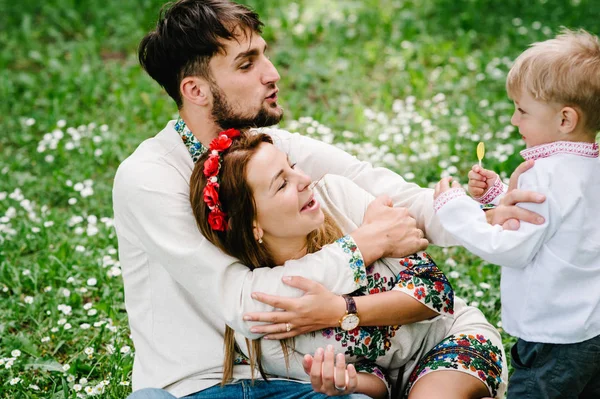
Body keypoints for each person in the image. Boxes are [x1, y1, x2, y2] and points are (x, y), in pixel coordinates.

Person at [113, 0, 545, 398]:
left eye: (264, 53)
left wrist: (485, 217)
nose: (272, 72)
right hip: (200, 385)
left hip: (297, 379)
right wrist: (365, 245)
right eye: (247, 64)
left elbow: (387, 193)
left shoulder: (271, 148)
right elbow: (247, 302)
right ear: (196, 91)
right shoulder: (150, 178)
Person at [188, 130, 508, 398]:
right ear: (253, 224)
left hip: (450, 340)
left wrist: (339, 309)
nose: (303, 180)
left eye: (293, 166)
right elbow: (375, 381)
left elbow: (435, 294)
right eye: (281, 184)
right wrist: (348, 383)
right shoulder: (269, 319)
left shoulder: (337, 199)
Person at [433, 29, 600, 399]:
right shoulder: (590, 167)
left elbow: (509, 248)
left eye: (522, 110)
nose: (513, 120)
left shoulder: (546, 176)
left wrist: (456, 209)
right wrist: (501, 196)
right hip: (591, 329)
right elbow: (561, 224)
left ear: (565, 120)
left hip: (552, 339)